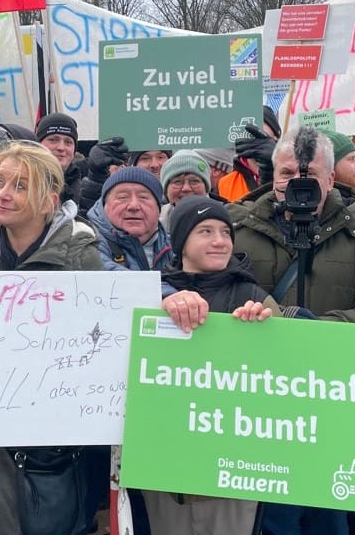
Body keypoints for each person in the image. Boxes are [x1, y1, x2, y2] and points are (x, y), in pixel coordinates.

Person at [0, 141, 105, 535]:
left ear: (48, 200)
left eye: (20, 186)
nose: (3, 194)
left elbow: (98, 335)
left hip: (50, 432)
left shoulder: (79, 254)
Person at [146, 196, 315, 535]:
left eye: (225, 232)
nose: (220, 241)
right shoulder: (153, 295)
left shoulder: (251, 296)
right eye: (205, 231)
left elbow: (284, 382)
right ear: (181, 243)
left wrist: (264, 333)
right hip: (165, 469)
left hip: (231, 476)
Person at [227, 126, 355, 323]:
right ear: (273, 176)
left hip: (331, 352)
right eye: (286, 173)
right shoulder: (234, 228)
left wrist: (312, 330)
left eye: (309, 173)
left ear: (330, 180)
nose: (298, 182)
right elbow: (216, 292)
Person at [87, 166, 174, 274]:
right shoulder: (88, 242)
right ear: (105, 205)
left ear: (158, 209)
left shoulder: (176, 246)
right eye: (123, 197)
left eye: (143, 197)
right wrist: (169, 291)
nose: (133, 206)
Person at [36, 111, 86, 205]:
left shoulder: (83, 187)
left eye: (68, 142)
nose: (61, 148)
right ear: (38, 144)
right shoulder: (24, 181)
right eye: (53, 140)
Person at [158, 149, 211, 229]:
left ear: (206, 188)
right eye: (177, 182)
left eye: (194, 181)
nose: (186, 188)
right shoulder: (155, 222)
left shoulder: (225, 217)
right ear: (166, 191)